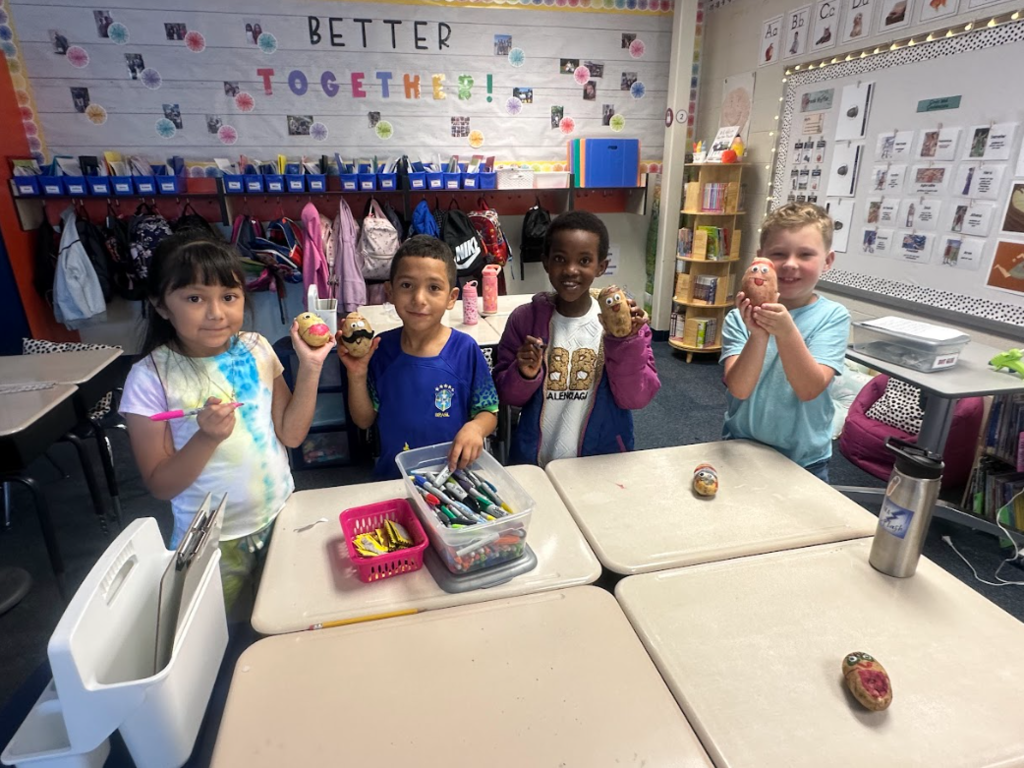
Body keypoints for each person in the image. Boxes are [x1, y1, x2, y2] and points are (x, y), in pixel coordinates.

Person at [119, 235, 335, 615]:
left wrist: (312, 366)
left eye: (229, 296)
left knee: (285, 618)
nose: (216, 312)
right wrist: (206, 438)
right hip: (212, 542)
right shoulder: (150, 376)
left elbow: (291, 434)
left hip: (281, 517)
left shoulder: (256, 348)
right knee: (218, 640)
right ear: (161, 305)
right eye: (194, 298)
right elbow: (160, 483)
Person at [493, 211, 660, 467]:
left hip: (600, 460)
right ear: (546, 262)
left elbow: (635, 398)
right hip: (537, 460)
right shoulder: (525, 320)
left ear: (601, 266)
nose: (571, 270)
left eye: (584, 260)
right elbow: (507, 395)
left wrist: (625, 342)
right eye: (560, 259)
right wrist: (524, 374)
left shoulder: (627, 328)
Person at [338, 235, 498, 479]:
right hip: (394, 477)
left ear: (451, 298)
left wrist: (476, 428)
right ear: (389, 291)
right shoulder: (381, 349)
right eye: (406, 285)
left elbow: (489, 411)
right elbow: (364, 420)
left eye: (434, 288)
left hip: (451, 480)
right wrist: (357, 374)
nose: (419, 299)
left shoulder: (465, 350)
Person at [721, 203, 850, 482]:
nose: (790, 264)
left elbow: (808, 389)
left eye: (805, 254)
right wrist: (758, 334)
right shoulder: (738, 317)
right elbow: (740, 389)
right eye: (778, 254)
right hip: (741, 449)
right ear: (760, 260)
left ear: (827, 261)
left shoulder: (833, 317)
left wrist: (786, 331)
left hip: (803, 460)